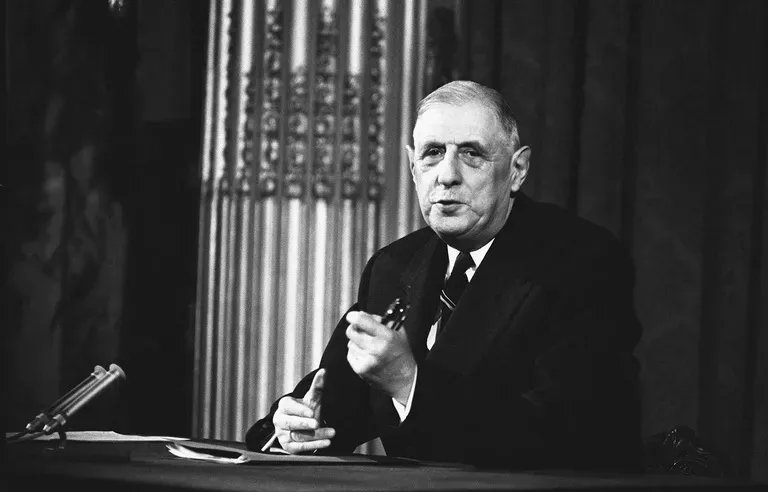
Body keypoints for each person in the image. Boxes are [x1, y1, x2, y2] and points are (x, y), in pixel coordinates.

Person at [246, 80, 643, 471]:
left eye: (472, 154)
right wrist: (292, 427)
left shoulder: (583, 262)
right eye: (433, 153)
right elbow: (333, 404)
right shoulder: (394, 265)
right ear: (412, 167)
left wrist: (409, 383)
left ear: (517, 169)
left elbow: (568, 437)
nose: (447, 174)